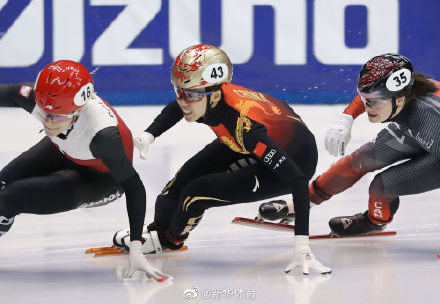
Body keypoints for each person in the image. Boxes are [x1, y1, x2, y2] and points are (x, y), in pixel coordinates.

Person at [114, 43, 331, 275]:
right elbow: (178, 107)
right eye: (178, 91)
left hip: (294, 159)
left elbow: (297, 179)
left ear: (215, 95)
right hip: (249, 139)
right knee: (173, 189)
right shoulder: (206, 98)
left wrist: (301, 246)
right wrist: (150, 133)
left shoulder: (243, 126)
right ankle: (157, 233)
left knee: (195, 193)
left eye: (188, 95)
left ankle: (171, 240)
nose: (182, 101)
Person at [0, 60, 169, 281]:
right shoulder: (46, 99)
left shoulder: (103, 137)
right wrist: (56, 117)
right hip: (66, 149)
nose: (48, 122)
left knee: (10, 198)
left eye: (58, 116)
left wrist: (136, 246)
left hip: (101, 179)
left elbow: (134, 186)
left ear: (79, 110)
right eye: (43, 112)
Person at [260, 53, 440, 236]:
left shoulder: (429, 117)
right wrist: (346, 118)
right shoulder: (406, 91)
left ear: (400, 99)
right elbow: (371, 94)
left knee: (382, 186)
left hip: (434, 137)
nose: (368, 108)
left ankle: (373, 221)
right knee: (361, 160)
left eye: (374, 103)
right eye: (365, 100)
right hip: (416, 130)